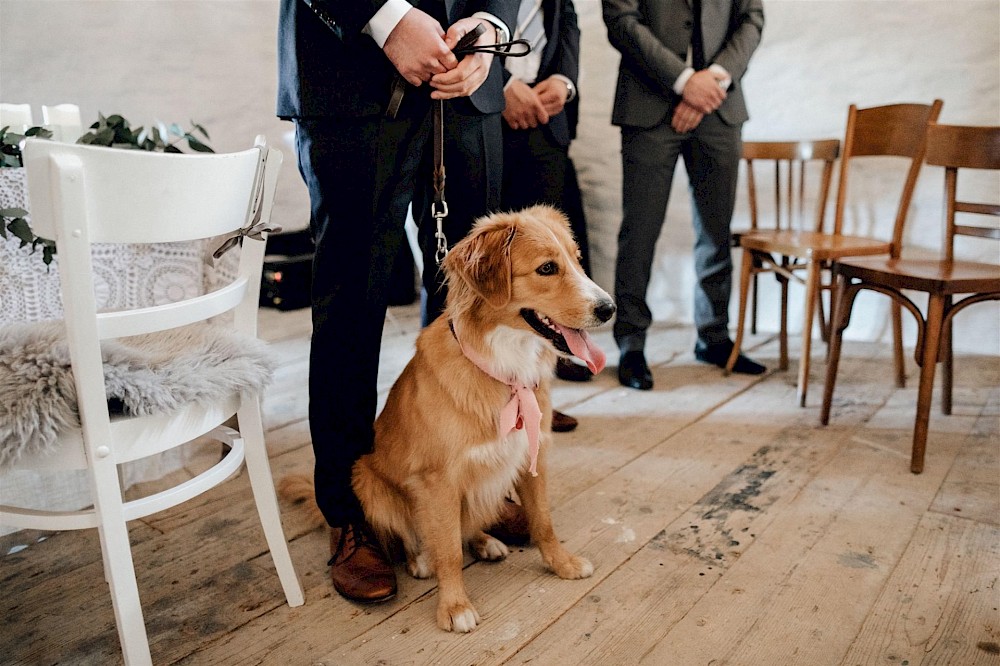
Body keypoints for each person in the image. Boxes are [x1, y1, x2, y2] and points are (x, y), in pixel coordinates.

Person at [277, 0, 518, 604]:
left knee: (478, 305)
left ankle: (469, 484)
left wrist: (488, 28)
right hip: (352, 77)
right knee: (352, 304)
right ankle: (352, 507)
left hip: (468, 89)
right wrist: (383, 17)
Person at [602, 0, 766, 390]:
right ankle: (632, 343)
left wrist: (715, 79)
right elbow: (621, 20)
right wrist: (683, 81)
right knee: (640, 231)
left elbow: (752, 18)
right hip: (648, 103)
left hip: (720, 106)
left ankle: (713, 336)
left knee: (716, 228)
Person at [499, 0, 589, 432]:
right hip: (478, 113)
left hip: (546, 119)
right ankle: (476, 400)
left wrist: (564, 81)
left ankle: (532, 400)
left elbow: (565, 21)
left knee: (547, 271)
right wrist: (501, 81)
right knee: (486, 268)